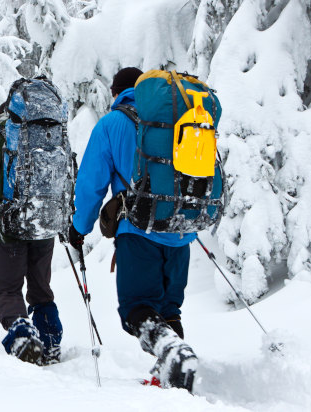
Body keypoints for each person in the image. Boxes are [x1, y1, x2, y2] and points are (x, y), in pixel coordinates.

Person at [69, 67, 197, 390]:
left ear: (116, 93)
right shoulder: (173, 122)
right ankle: (173, 375)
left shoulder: (111, 124)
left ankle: (172, 353)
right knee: (168, 308)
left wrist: (79, 227)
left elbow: (91, 184)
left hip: (139, 232)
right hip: (181, 232)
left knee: (136, 308)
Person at [0, 97, 63, 365]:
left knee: (8, 290)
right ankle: (51, 340)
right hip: (43, 225)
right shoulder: (48, 136)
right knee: (41, 289)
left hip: (8, 228)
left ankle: (23, 338)